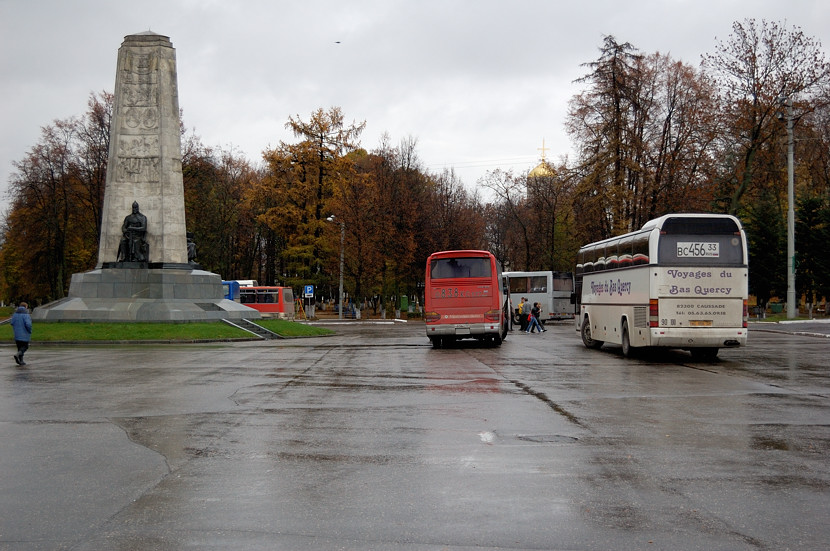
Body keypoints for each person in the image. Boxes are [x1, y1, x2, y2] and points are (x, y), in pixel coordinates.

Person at [10, 302, 32, 366]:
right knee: (25, 346)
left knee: (19, 347)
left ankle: (21, 361)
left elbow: (12, 323)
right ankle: (18, 355)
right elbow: (28, 324)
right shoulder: (26, 315)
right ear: (25, 307)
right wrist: (29, 330)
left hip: (17, 334)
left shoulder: (15, 314)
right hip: (24, 334)